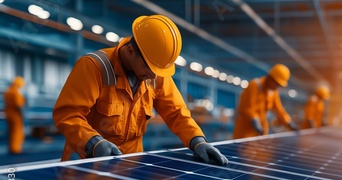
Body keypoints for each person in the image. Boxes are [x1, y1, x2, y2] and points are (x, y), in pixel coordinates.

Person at [52, 15, 228, 165]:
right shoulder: (94, 67)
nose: (152, 75)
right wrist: (92, 143)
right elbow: (68, 114)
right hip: (86, 163)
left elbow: (176, 112)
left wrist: (197, 141)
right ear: (130, 51)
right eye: (149, 67)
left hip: (130, 167)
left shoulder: (155, 75)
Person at [233, 64, 298, 139]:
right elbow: (247, 108)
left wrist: (289, 123)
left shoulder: (273, 92)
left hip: (261, 130)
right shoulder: (255, 85)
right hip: (245, 131)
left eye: (279, 85)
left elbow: (279, 110)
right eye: (276, 83)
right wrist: (256, 122)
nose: (276, 86)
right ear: (270, 78)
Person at [4, 76, 26, 154]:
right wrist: (22, 114)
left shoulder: (8, 91)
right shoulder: (16, 92)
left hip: (8, 114)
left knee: (11, 131)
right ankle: (16, 149)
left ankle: (11, 147)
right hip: (16, 115)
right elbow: (18, 105)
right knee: (17, 131)